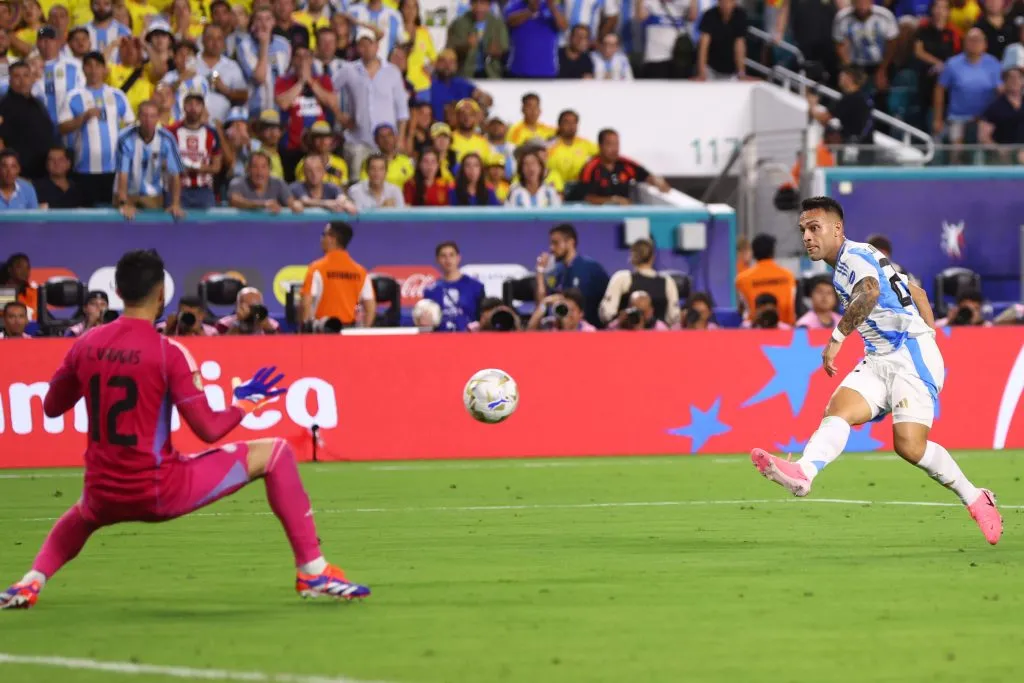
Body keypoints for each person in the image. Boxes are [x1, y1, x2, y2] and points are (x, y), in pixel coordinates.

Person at [0, 249, 370, 610]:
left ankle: (32, 580)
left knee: (84, 515)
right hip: (161, 489)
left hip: (103, 491)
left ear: (117, 289)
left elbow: (51, 407)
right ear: (162, 293)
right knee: (276, 453)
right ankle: (312, 570)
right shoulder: (168, 352)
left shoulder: (85, 344)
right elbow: (208, 429)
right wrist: (242, 405)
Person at [750, 196, 1002, 546]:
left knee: (910, 447)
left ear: (837, 228)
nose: (807, 236)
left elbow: (868, 294)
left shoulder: (853, 257)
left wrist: (838, 339)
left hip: (910, 355)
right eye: (803, 229)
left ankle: (976, 498)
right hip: (881, 356)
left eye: (814, 228)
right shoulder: (857, 257)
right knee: (838, 410)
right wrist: (929, 334)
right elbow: (918, 293)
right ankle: (803, 473)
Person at [114, 101, 186, 220]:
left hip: (154, 197)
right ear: (138, 117)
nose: (148, 120)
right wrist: (123, 203)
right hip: (128, 195)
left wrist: (175, 204)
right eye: (144, 115)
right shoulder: (125, 138)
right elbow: (122, 174)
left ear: (158, 118)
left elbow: (175, 174)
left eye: (152, 116)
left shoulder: (167, 139)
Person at [300, 221, 376, 329]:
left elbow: (306, 304)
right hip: (348, 332)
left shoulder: (316, 268)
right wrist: (362, 332)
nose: (321, 239)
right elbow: (370, 308)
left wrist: (305, 331)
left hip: (322, 331)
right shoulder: (361, 272)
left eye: (324, 235)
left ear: (332, 239)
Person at [535, 223, 610, 328]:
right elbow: (543, 304)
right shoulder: (556, 273)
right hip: (563, 332)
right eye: (551, 243)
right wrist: (540, 272)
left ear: (570, 242)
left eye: (556, 243)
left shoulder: (591, 269)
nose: (551, 248)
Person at [599, 238, 680, 328]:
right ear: (653, 257)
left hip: (627, 333)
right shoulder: (668, 282)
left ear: (632, 256)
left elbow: (607, 314)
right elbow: (674, 317)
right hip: (658, 334)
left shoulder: (621, 279)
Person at [735, 233, 797, 326]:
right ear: (773, 252)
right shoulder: (789, 276)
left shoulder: (741, 279)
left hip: (755, 329)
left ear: (753, 253)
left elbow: (743, 307)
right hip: (786, 328)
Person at [421, 241, 485, 331]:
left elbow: (483, 317)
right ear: (437, 260)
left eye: (451, 255)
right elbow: (426, 324)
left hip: (469, 337)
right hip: (439, 337)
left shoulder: (475, 287)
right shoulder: (430, 291)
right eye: (443, 256)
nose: (448, 260)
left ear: (458, 258)